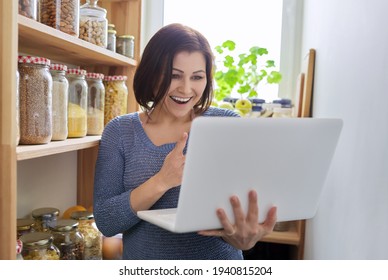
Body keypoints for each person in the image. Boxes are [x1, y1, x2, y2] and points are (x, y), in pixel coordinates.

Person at [93, 23, 277, 260]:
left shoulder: (227, 124)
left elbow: (239, 217)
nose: (186, 89)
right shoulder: (119, 132)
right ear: (151, 72)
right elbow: (107, 221)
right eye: (174, 76)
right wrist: (162, 180)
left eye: (197, 77)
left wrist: (243, 238)